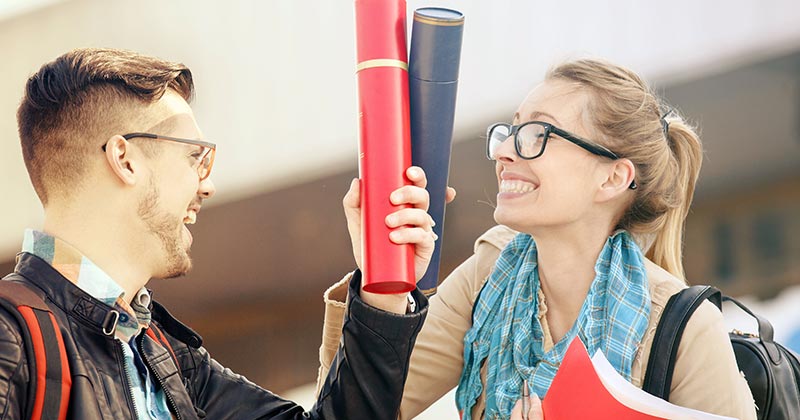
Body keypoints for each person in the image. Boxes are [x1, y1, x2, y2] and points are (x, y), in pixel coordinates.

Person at [1, 47, 439, 419]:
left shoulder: (166, 356)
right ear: (125, 159)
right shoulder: (11, 336)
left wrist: (383, 286)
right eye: (196, 158)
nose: (207, 184)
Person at [318, 58, 757, 420]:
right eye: (511, 130)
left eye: (537, 134)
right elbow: (349, 412)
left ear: (612, 177)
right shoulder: (488, 275)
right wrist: (382, 282)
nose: (504, 150)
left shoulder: (684, 328)